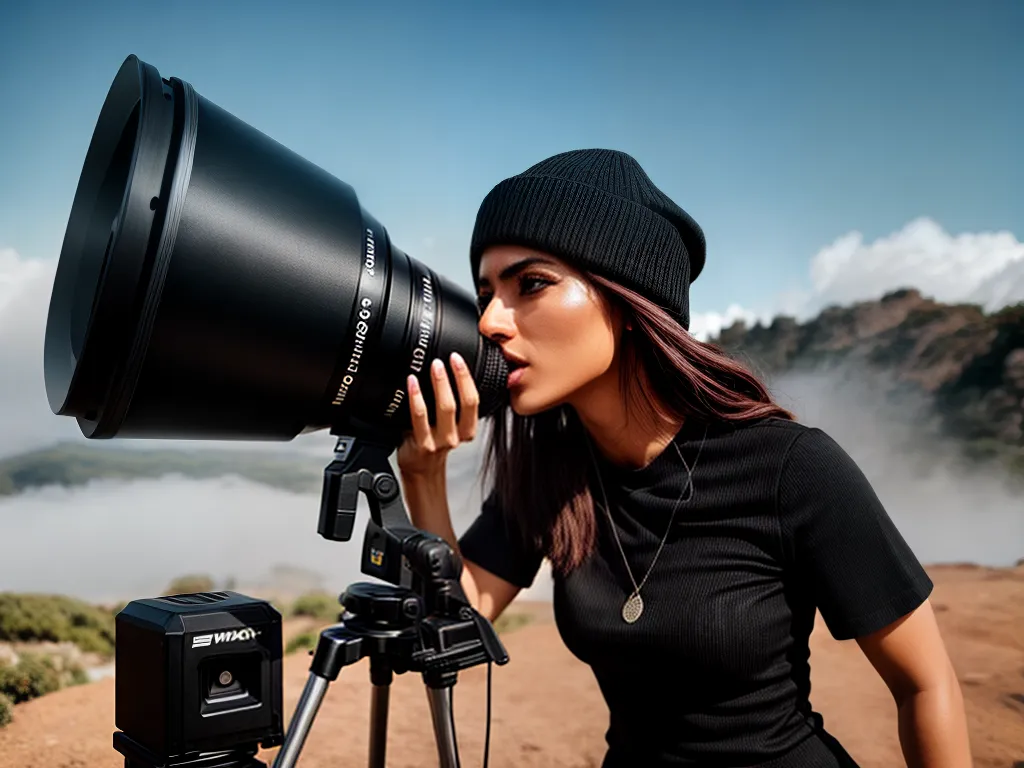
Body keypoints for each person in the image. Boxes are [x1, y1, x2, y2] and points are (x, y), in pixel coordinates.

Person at [396, 149, 972, 767]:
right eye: (486, 293)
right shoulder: (550, 474)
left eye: (530, 284)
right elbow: (459, 620)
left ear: (627, 300)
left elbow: (925, 684)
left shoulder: (791, 468)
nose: (489, 322)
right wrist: (423, 475)